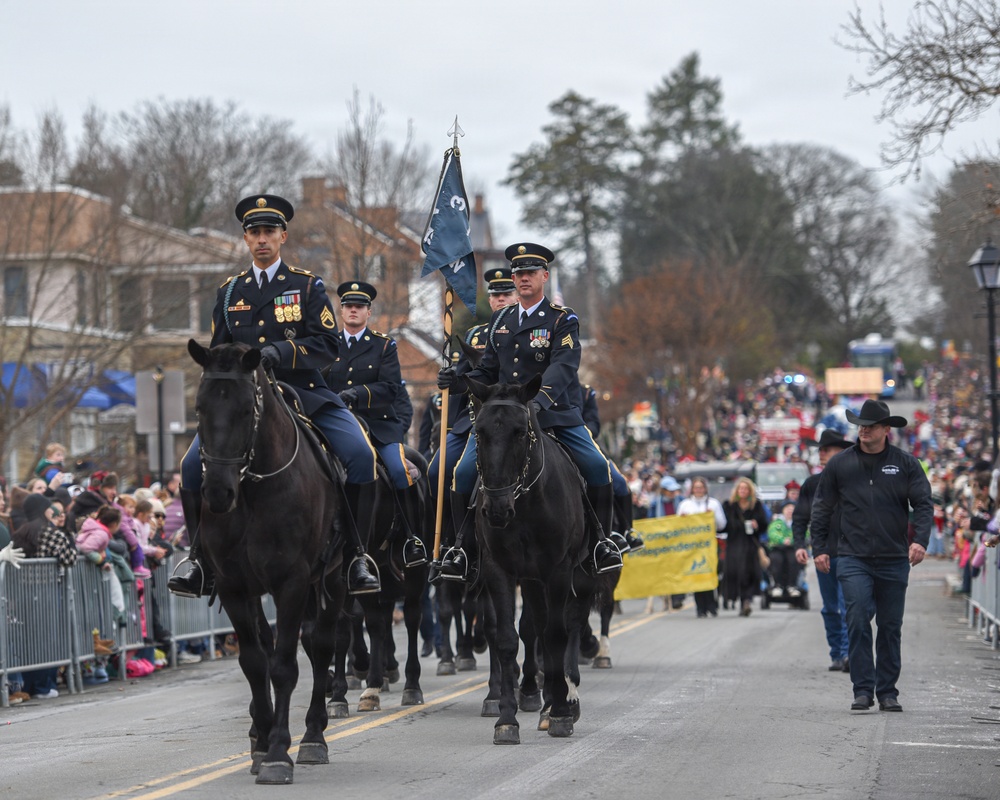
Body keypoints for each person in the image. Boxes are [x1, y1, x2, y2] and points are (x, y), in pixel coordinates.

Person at [169, 194, 380, 597]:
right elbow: (219, 353)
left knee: (360, 455)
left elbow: (328, 344)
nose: (261, 239)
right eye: (254, 233)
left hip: (305, 391)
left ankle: (357, 556)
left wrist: (278, 352)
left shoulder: (306, 286)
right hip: (245, 401)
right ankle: (199, 560)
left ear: (283, 236)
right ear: (246, 239)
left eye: (269, 231)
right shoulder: (230, 293)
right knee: (192, 465)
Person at [437, 243, 623, 578]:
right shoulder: (502, 320)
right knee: (462, 474)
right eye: (519, 273)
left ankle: (601, 542)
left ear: (544, 277)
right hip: (506, 418)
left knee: (597, 468)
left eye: (530, 273)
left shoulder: (561, 319)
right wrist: (459, 379)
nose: (523, 279)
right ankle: (461, 548)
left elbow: (564, 366)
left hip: (553, 412)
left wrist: (537, 402)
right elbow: (489, 370)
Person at [809, 399, 932, 712]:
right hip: (852, 557)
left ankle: (887, 691)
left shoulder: (906, 464)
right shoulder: (840, 464)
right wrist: (819, 548)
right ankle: (862, 690)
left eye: (870, 425)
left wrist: (920, 541)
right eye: (860, 425)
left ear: (885, 430)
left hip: (893, 558)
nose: (863, 430)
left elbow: (923, 504)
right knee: (858, 617)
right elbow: (821, 507)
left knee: (890, 626)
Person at [324, 280, 426, 568]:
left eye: (359, 306)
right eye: (348, 306)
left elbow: (392, 388)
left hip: (378, 425)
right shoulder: (327, 343)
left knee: (398, 471)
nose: (353, 310)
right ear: (341, 310)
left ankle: (412, 539)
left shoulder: (383, 346)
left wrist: (356, 394)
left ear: (368, 312)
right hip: (336, 423)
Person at [428, 266, 518, 580]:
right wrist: (450, 379)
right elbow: (467, 378)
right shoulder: (475, 335)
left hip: (515, 419)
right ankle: (455, 546)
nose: (501, 299)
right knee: (437, 471)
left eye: (507, 293)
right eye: (495, 294)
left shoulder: (528, 327)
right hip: (472, 421)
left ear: (517, 294)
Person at [793, 428, 852, 672]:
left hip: (852, 554)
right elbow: (800, 518)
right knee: (830, 607)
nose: (822, 454)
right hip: (824, 553)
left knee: (849, 605)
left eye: (827, 450)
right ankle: (836, 653)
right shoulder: (812, 484)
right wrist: (799, 545)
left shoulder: (854, 481)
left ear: (841, 452)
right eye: (821, 450)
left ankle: (850, 653)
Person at [676, 476, 727, 618]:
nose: (698, 490)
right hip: (693, 547)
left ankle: (712, 604)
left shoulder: (714, 504)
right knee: (697, 576)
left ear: (705, 489)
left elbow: (722, 525)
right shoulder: (685, 505)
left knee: (711, 574)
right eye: (696, 487)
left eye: (701, 487)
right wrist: (683, 520)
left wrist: (712, 516)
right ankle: (700, 607)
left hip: (710, 545)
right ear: (692, 489)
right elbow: (677, 526)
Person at [721, 477, 769, 617]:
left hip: (750, 545)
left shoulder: (756, 505)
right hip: (734, 544)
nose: (743, 491)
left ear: (750, 491)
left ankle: (746, 601)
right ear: (736, 490)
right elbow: (723, 526)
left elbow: (764, 525)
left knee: (748, 573)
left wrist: (757, 525)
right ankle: (736, 598)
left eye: (745, 489)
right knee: (735, 573)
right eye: (740, 488)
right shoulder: (729, 505)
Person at [766, 501, 800, 597]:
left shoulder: (798, 522)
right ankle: (778, 585)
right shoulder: (777, 522)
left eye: (792, 509)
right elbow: (772, 533)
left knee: (794, 560)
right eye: (787, 508)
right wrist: (782, 540)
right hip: (778, 548)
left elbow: (804, 533)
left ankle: (792, 585)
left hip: (793, 548)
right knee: (776, 560)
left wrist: (792, 540)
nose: (790, 511)